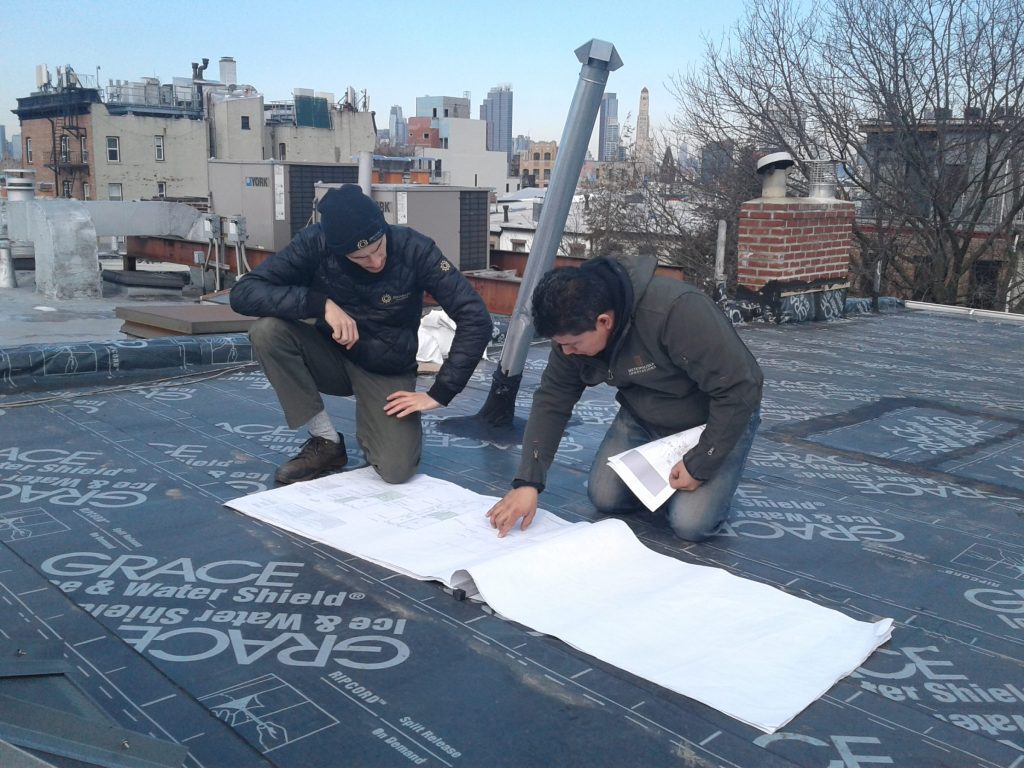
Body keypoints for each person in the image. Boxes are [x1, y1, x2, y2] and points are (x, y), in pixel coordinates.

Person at [486, 254, 763, 542]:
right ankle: (670, 484)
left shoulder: (675, 311)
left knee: (690, 524)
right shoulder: (572, 327)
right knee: (605, 497)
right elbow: (552, 399)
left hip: (712, 419)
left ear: (604, 321)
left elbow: (741, 387)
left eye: (572, 344)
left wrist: (700, 464)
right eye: (560, 345)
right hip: (643, 415)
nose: (566, 353)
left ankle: (703, 483)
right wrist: (528, 482)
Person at [230, 184, 491, 485]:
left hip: (386, 367)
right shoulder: (315, 244)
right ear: (338, 250)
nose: (375, 262)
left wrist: (441, 393)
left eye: (379, 249)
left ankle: (375, 427)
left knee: (396, 470)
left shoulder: (415, 249)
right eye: (361, 258)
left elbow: (475, 317)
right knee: (267, 332)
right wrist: (320, 304)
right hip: (329, 356)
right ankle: (326, 442)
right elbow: (244, 293)